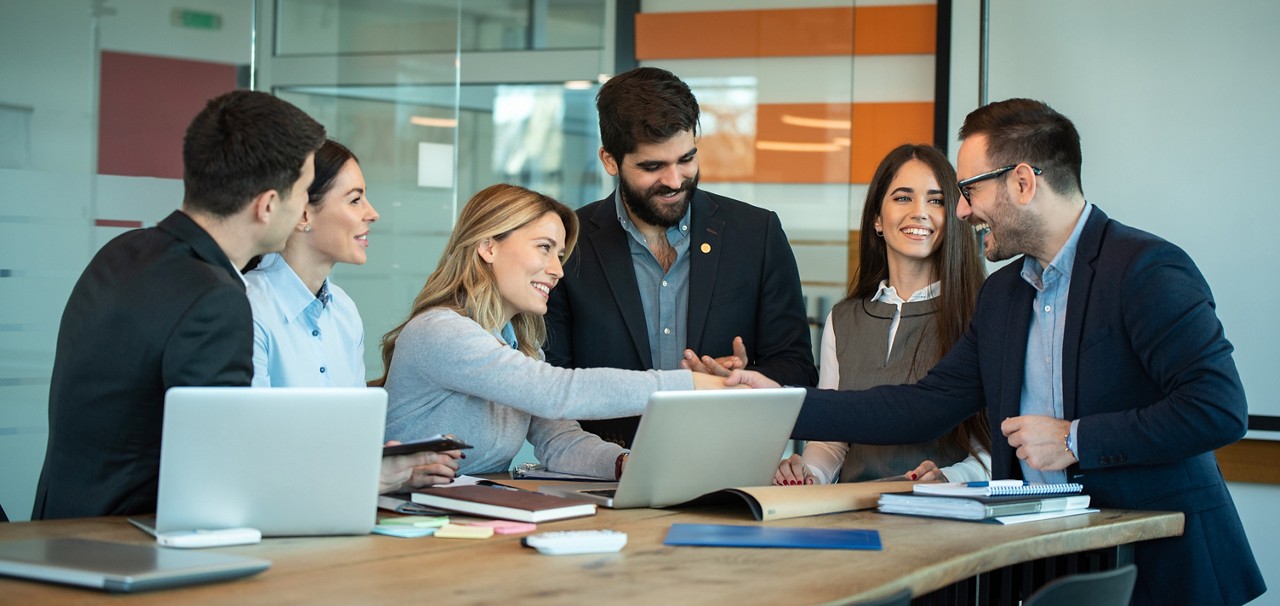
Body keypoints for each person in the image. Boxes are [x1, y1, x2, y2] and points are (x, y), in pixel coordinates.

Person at [730, 99, 1265, 606]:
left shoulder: (1146, 269)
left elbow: (1216, 409)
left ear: (1024, 182)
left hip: (1162, 565)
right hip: (1045, 562)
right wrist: (780, 400)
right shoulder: (1004, 294)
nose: (961, 211)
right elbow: (924, 404)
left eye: (967, 190)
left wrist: (1075, 438)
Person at [33, 90, 326, 519]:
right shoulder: (215, 299)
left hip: (57, 534)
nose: (305, 208)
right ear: (266, 205)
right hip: (133, 553)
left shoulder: (122, 252)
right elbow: (215, 475)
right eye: (303, 191)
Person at [544, 66, 817, 448]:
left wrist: (742, 378)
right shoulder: (568, 243)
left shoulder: (757, 234)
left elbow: (799, 367)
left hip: (731, 465)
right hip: (603, 475)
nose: (674, 180)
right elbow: (551, 380)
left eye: (686, 159)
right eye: (652, 167)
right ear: (610, 160)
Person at [379, 184, 724, 478]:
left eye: (559, 255)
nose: (558, 270)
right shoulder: (441, 331)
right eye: (544, 248)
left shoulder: (519, 350)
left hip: (467, 519)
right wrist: (689, 384)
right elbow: (555, 392)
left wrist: (625, 464)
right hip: (407, 524)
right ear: (488, 246)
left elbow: (559, 440)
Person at [244, 139, 462, 492]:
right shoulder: (247, 306)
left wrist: (400, 467)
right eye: (355, 199)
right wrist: (371, 476)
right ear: (303, 213)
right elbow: (249, 455)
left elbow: (347, 443)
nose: (372, 213)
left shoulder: (343, 310)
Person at [774, 144, 990, 486]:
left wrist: (950, 478)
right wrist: (808, 474)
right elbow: (833, 439)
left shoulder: (981, 313)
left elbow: (993, 448)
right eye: (903, 198)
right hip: (851, 517)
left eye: (936, 200)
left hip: (946, 518)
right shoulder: (843, 319)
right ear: (877, 218)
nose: (919, 212)